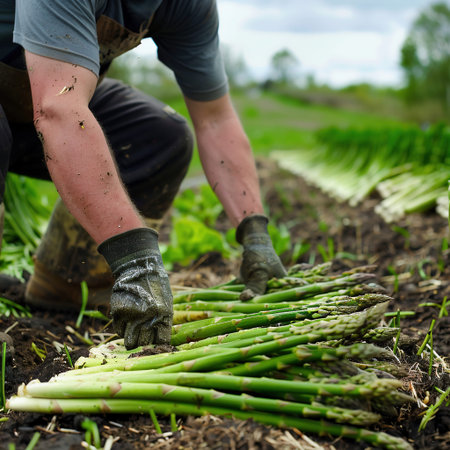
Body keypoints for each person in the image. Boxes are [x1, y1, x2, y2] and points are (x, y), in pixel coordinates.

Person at [0, 0, 286, 349]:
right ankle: (130, 277)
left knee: (161, 136)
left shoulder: (188, 6)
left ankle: (67, 284)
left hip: (36, 103)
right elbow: (59, 108)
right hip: (46, 103)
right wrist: (136, 258)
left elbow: (215, 118)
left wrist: (255, 231)